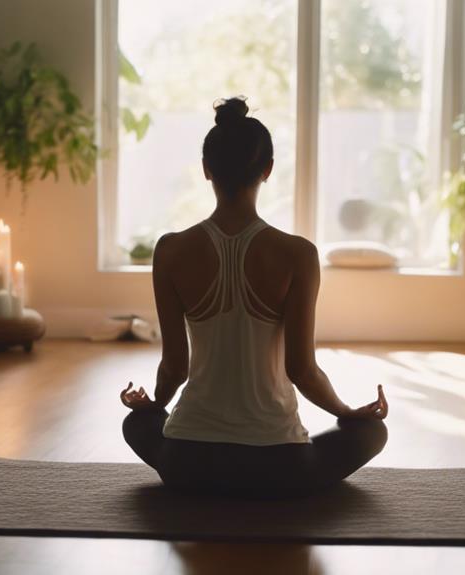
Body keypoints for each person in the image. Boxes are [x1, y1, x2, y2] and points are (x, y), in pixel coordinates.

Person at [121, 96, 388, 499]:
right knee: (373, 431)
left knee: (136, 425)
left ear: (207, 169)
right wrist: (347, 413)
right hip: (281, 467)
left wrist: (153, 403)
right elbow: (302, 370)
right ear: (267, 169)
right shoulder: (297, 254)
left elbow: (175, 368)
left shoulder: (171, 250)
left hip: (187, 463)